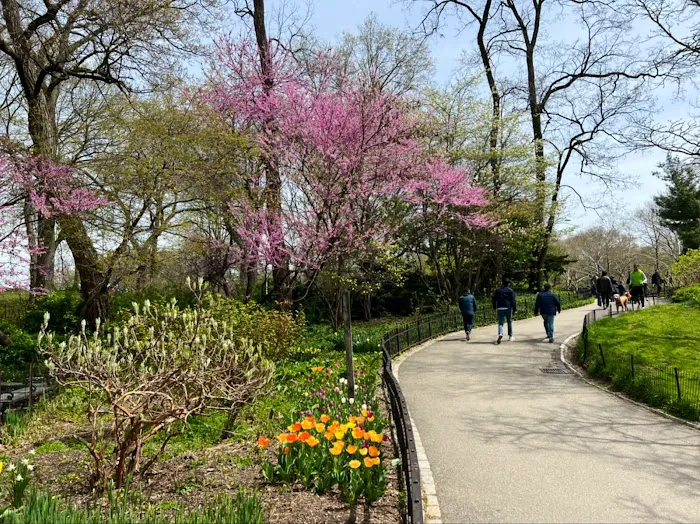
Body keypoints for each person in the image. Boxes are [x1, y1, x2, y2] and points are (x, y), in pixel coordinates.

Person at [492, 278, 517, 344]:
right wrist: (515, 309)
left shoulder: (498, 290)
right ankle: (510, 336)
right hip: (508, 307)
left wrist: (494, 307)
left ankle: (500, 333)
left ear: (502, 283)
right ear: (508, 284)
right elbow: (513, 301)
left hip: (500, 308)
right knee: (509, 321)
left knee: (500, 323)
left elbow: (494, 299)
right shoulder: (510, 291)